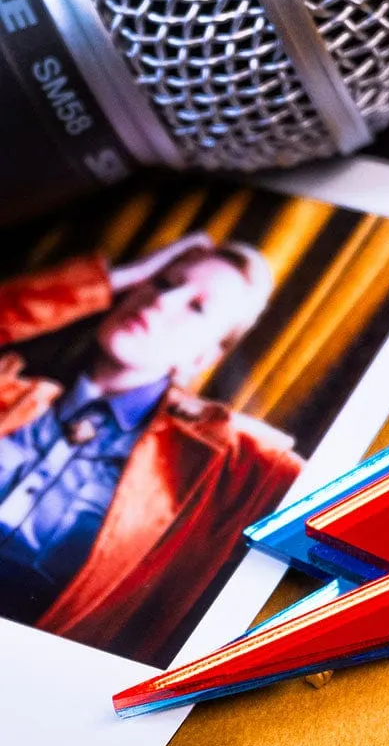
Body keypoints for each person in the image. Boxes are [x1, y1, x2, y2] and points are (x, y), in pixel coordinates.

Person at [0, 235, 303, 664]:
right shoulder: (11, 393)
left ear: (204, 358)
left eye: (197, 307)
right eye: (163, 283)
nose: (162, 302)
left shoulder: (223, 460)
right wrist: (110, 280)